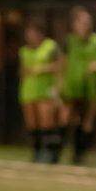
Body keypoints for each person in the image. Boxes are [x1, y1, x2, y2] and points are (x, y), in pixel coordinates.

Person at [62, 7, 96, 163]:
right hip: (73, 86)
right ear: (74, 24)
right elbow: (63, 63)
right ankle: (67, 151)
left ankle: (80, 154)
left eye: (87, 22)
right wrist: (61, 83)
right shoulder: (70, 41)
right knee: (72, 119)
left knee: (88, 121)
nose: (85, 25)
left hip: (91, 87)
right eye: (81, 22)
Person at [19, 20, 62, 163]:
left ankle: (50, 153)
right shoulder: (24, 51)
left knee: (46, 122)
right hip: (29, 90)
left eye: (32, 33)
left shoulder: (50, 46)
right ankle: (36, 152)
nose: (30, 36)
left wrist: (43, 69)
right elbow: (23, 71)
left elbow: (60, 65)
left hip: (45, 90)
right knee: (32, 124)